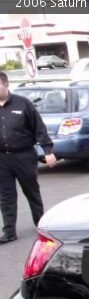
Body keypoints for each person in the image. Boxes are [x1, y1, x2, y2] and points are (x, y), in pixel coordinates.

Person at [0, 71, 56, 244]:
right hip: (2, 159)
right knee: (6, 195)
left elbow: (39, 128)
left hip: (24, 156)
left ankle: (41, 224)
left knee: (32, 192)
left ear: (5, 84)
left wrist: (48, 150)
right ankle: (9, 231)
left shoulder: (23, 104)